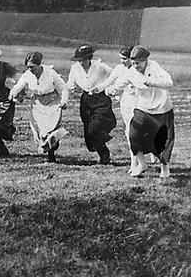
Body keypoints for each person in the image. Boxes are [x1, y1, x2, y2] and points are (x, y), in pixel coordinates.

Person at [108, 46, 175, 178]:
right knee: (133, 135)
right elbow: (120, 83)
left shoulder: (155, 67)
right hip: (143, 107)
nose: (135, 66)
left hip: (161, 108)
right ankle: (142, 164)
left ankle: (164, 167)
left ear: (145, 61)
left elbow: (169, 82)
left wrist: (152, 82)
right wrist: (112, 89)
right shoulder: (131, 72)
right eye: (133, 63)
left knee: (162, 141)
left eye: (138, 63)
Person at [9, 51, 69, 162]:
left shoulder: (50, 73)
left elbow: (63, 87)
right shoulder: (27, 74)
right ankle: (50, 151)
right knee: (40, 130)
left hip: (52, 101)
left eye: (32, 67)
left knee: (50, 129)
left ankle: (52, 151)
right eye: (28, 67)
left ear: (39, 64)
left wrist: (64, 101)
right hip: (37, 103)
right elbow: (18, 86)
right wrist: (12, 93)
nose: (30, 69)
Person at [94, 46, 148, 163]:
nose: (122, 61)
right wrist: (98, 88)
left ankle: (149, 153)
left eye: (125, 58)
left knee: (142, 128)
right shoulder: (119, 68)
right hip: (127, 101)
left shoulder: (138, 69)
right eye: (120, 58)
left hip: (140, 100)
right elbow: (109, 81)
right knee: (130, 129)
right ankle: (135, 161)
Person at [66, 44, 116, 164]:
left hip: (101, 99)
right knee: (89, 132)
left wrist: (111, 88)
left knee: (95, 128)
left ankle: (104, 155)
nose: (81, 62)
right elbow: (70, 85)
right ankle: (101, 148)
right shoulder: (75, 68)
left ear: (90, 58)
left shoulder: (100, 66)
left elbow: (115, 75)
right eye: (79, 60)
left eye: (84, 59)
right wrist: (66, 95)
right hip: (86, 101)